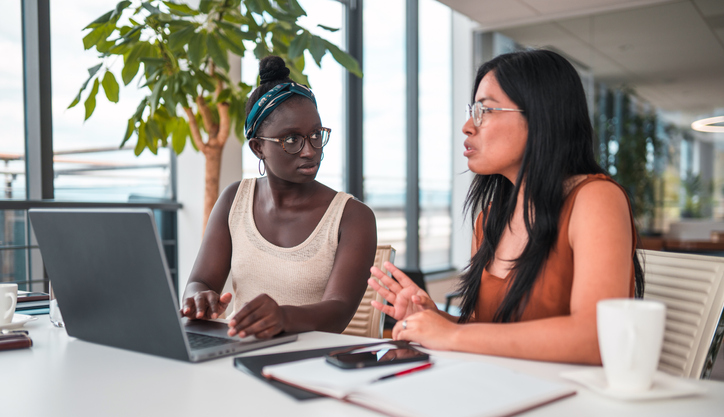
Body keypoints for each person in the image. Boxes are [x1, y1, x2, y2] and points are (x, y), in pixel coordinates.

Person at [368, 49, 643, 364]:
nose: (468, 126)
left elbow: (596, 338)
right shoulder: (489, 219)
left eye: (484, 110)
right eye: (472, 110)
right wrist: (437, 320)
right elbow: (494, 333)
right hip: (502, 390)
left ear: (540, 115)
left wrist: (453, 335)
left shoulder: (595, 199)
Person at [182, 56, 376, 339]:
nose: (310, 150)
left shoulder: (353, 216)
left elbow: (339, 311)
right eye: (291, 139)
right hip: (238, 354)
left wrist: (282, 316)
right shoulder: (233, 200)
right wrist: (198, 298)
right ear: (258, 147)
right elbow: (200, 281)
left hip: (310, 364)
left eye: (315, 135)